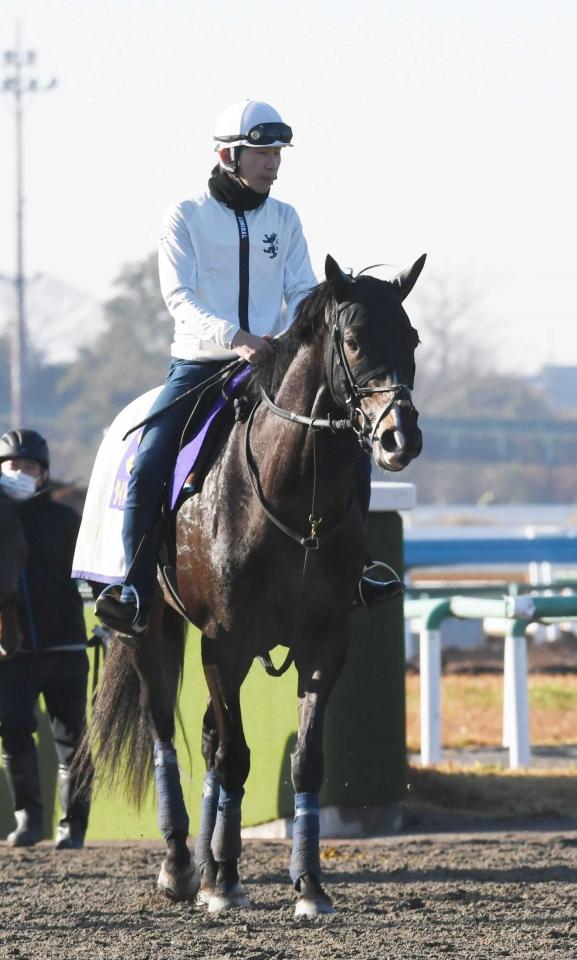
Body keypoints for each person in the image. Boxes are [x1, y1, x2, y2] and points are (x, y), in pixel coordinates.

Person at [96, 98, 401, 643]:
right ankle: (135, 588)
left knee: (352, 449)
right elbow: (180, 298)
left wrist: (318, 320)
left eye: (278, 152)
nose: (273, 163)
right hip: (201, 363)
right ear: (227, 154)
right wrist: (234, 338)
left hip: (273, 362)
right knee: (150, 458)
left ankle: (357, 573)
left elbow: (302, 290)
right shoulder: (184, 216)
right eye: (262, 151)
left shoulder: (285, 218)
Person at [0, 429, 92, 849]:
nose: (19, 472)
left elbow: (92, 573)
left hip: (65, 646)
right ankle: (28, 819)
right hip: (11, 651)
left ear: (43, 474)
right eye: (11, 465)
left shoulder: (64, 520)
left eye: (28, 466)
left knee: (73, 740)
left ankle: (72, 825)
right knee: (15, 730)